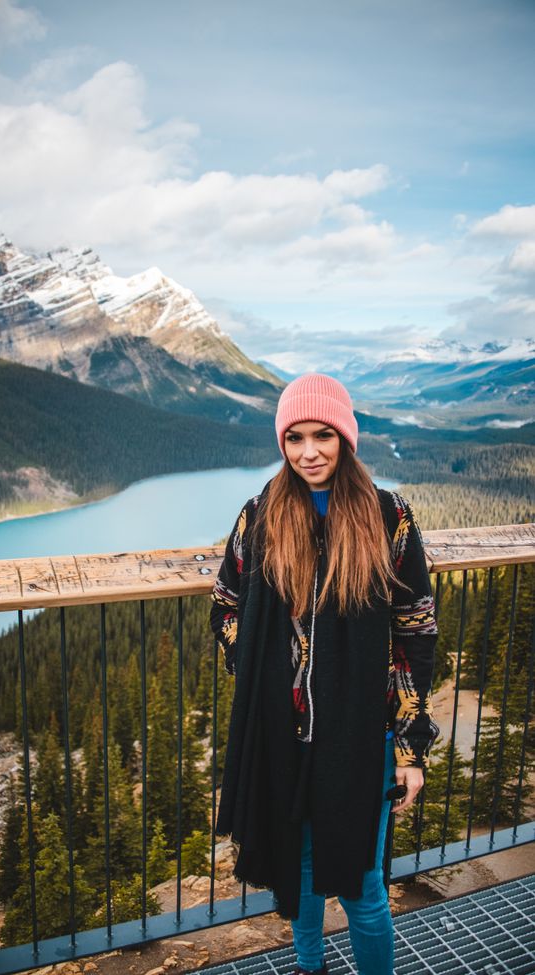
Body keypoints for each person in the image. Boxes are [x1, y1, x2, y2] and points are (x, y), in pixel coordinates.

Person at [210, 373, 439, 975]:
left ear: (346, 437)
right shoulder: (259, 514)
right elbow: (225, 604)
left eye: (323, 435)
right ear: (281, 442)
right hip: (283, 740)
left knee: (364, 892)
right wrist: (260, 669)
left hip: (362, 740)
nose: (308, 452)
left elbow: (415, 629)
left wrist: (410, 747)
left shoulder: (390, 517)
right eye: (294, 438)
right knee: (302, 886)